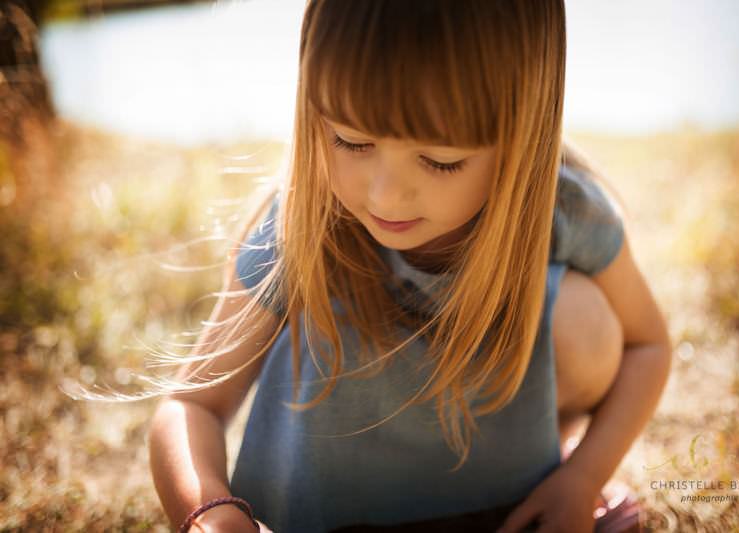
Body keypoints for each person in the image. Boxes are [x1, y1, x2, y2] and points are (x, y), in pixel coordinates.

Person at [146, 1, 673, 532]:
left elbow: (646, 346)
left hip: (505, 509)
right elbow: (192, 405)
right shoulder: (301, 226)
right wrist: (209, 513)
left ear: (523, 135)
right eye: (352, 141)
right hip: (321, 520)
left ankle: (548, 465)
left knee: (581, 312)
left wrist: (583, 477)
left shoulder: (563, 213)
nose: (386, 197)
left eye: (441, 160)